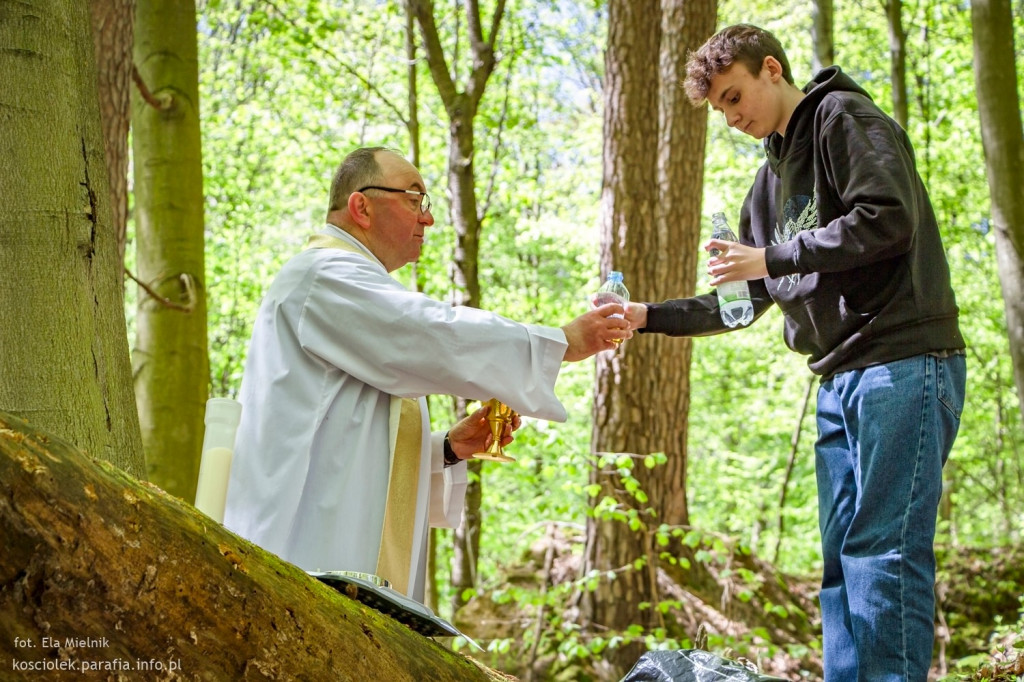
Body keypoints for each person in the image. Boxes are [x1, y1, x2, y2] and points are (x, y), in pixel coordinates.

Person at [625, 25, 966, 681]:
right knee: (841, 557)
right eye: (719, 108)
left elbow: (888, 218)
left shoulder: (845, 117)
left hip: (902, 359)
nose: (730, 116)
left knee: (884, 551)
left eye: (733, 95)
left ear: (772, 69)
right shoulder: (767, 186)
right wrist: (647, 317)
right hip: (837, 379)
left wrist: (772, 256)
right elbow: (741, 301)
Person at [223, 146, 630, 602]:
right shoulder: (323, 276)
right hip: (302, 545)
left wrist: (448, 449)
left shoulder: (354, 283)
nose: (427, 219)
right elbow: (435, 332)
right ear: (361, 206)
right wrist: (561, 342)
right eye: (414, 200)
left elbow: (354, 437)